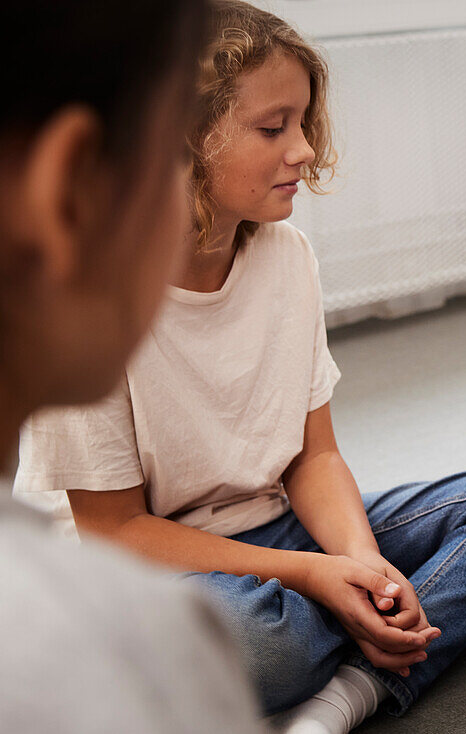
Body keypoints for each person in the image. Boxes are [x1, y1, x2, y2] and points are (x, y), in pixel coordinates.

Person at [14, 2, 466, 732]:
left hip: (276, 529)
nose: (306, 149)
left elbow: (315, 457)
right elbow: (114, 531)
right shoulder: (99, 294)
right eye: (273, 127)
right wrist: (318, 576)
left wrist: (361, 567)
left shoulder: (290, 258)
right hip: (145, 563)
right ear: (181, 142)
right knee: (262, 642)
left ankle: (345, 690)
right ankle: (365, 653)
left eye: (304, 123)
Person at [0, 1, 270, 732]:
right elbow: (112, 527)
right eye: (170, 162)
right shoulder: (136, 649)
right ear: (69, 195)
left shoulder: (288, 259)